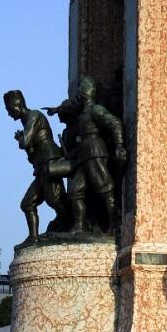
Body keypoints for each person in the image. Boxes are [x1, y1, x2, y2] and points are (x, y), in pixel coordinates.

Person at [47, 76, 126, 233]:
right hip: (84, 155)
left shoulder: (95, 110)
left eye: (81, 90)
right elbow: (71, 110)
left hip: (95, 152)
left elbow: (114, 123)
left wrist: (119, 145)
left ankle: (114, 223)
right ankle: (79, 225)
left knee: (104, 188)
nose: (78, 93)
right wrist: (57, 110)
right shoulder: (82, 113)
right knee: (75, 191)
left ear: (86, 92)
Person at [4, 89, 70, 244]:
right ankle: (33, 237)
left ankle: (72, 225)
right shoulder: (26, 120)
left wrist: (21, 139)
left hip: (50, 163)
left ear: (17, 104)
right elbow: (31, 152)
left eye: (9, 109)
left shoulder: (33, 116)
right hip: (41, 166)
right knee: (27, 204)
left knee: (55, 200)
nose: (8, 113)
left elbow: (26, 142)